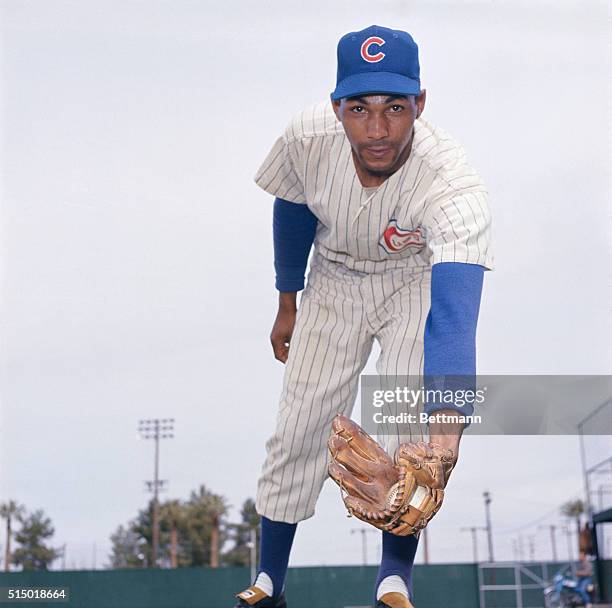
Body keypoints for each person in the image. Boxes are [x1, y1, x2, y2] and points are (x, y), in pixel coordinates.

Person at [235, 24, 494, 608]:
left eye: (394, 107)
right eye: (360, 108)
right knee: (300, 425)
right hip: (331, 277)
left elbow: (455, 317)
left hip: (412, 283)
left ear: (419, 106)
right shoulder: (307, 136)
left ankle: (394, 578)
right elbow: (294, 207)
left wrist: (445, 441)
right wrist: (286, 301)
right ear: (337, 107)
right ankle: (270, 581)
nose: (377, 128)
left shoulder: (454, 183)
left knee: (409, 425)